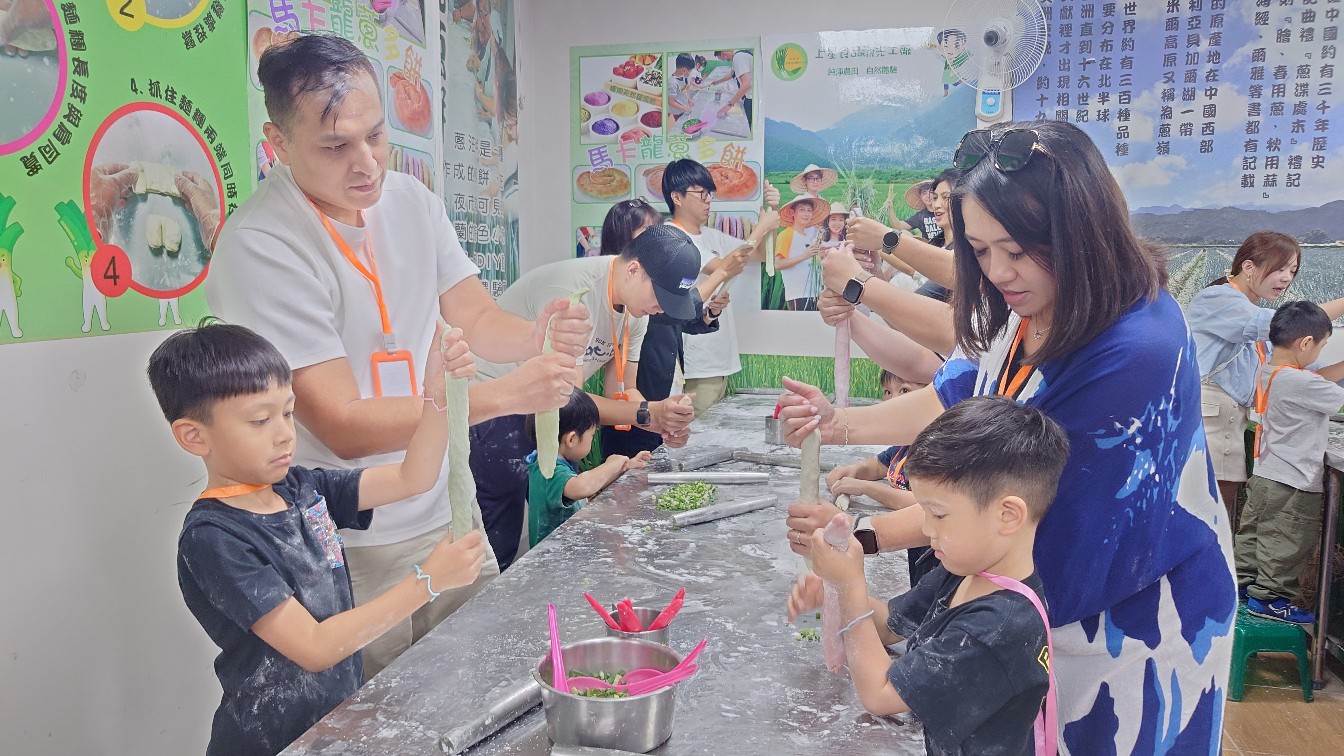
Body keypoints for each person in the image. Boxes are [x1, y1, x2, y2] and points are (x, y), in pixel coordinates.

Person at [780, 121, 1234, 753]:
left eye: (1017, 251)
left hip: (1131, 623)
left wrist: (864, 545)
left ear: (1081, 232)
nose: (997, 272)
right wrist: (841, 429)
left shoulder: (1133, 353)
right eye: (980, 250)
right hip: (1045, 613)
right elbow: (962, 394)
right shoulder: (1038, 300)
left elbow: (1007, 503)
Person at [207, 33, 589, 678]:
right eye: (336, 147)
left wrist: (534, 336)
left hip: (446, 505)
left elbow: (474, 315)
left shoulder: (411, 201)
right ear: (278, 143)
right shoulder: (263, 244)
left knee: (482, 680)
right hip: (351, 535)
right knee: (376, 711)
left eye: (378, 136)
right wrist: (504, 396)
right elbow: (343, 423)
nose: (367, 165)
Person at [148, 321, 487, 756]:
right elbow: (314, 647)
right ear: (194, 436)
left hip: (331, 727)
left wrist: (437, 398)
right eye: (260, 420)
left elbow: (413, 477)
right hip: (270, 741)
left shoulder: (302, 489)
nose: (284, 433)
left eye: (287, 413)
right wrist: (427, 581)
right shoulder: (214, 539)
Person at [789, 396, 1066, 754]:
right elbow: (890, 625)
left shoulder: (998, 628)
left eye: (937, 514)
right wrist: (834, 594)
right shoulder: (963, 571)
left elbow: (880, 694)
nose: (925, 528)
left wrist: (849, 585)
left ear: (1007, 515)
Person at [472, 224, 700, 568]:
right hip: (497, 407)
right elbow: (569, 401)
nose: (660, 308)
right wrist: (650, 413)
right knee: (501, 533)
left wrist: (661, 419)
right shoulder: (573, 294)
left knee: (559, 519)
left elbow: (622, 391)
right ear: (634, 270)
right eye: (660, 297)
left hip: (548, 408)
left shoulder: (636, 311)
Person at [1187, 231, 1344, 524]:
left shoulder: (1256, 321)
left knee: (1216, 515)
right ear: (1248, 267)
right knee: (1205, 515)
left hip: (1229, 421)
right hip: (1209, 421)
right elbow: (1292, 326)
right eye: (1280, 268)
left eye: (1292, 271)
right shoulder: (1218, 299)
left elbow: (1304, 371)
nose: (1286, 278)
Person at [1236, 301, 1344, 624]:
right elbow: (1335, 398)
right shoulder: (1302, 383)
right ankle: (1271, 599)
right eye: (1322, 345)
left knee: (1255, 535)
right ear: (1306, 343)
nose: (1320, 353)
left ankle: (1244, 587)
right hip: (1293, 481)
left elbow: (1317, 378)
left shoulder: (1270, 371)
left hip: (1266, 475)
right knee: (1287, 541)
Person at [598, 199, 722, 456]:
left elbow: (680, 318)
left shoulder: (643, 304)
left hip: (651, 406)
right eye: (648, 232)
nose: (658, 239)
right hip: (631, 420)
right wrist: (722, 273)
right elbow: (613, 392)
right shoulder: (620, 300)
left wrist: (660, 418)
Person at [663, 158, 781, 417]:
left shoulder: (711, 235)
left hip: (718, 361)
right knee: (692, 435)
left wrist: (772, 211)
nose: (708, 200)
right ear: (677, 197)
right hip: (695, 364)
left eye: (710, 193)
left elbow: (759, 253)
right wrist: (762, 226)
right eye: (701, 193)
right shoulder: (671, 236)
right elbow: (725, 267)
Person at [827, 369, 932, 584]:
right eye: (887, 392)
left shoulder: (934, 448)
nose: (893, 401)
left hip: (931, 547)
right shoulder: (904, 444)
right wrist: (855, 469)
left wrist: (866, 488)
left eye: (904, 390)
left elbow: (921, 503)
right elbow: (877, 465)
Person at [527, 388, 652, 546]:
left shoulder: (550, 460)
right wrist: (611, 464)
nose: (592, 440)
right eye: (591, 435)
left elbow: (593, 483)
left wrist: (624, 466)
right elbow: (582, 487)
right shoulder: (548, 471)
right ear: (572, 440)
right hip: (554, 554)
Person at [774, 195, 828, 311]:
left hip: (815, 294)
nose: (806, 214)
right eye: (802, 210)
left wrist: (819, 257)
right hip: (798, 295)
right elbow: (778, 264)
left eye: (809, 210)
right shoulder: (786, 235)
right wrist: (804, 256)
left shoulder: (808, 238)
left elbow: (809, 264)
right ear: (793, 213)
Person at [710, 49, 754, 124]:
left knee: (748, 123)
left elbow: (746, 84)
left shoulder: (738, 58)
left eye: (722, 59)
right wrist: (717, 82)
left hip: (751, 97)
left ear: (723, 54)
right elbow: (731, 75)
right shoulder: (737, 57)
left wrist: (729, 105)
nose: (724, 61)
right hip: (749, 95)